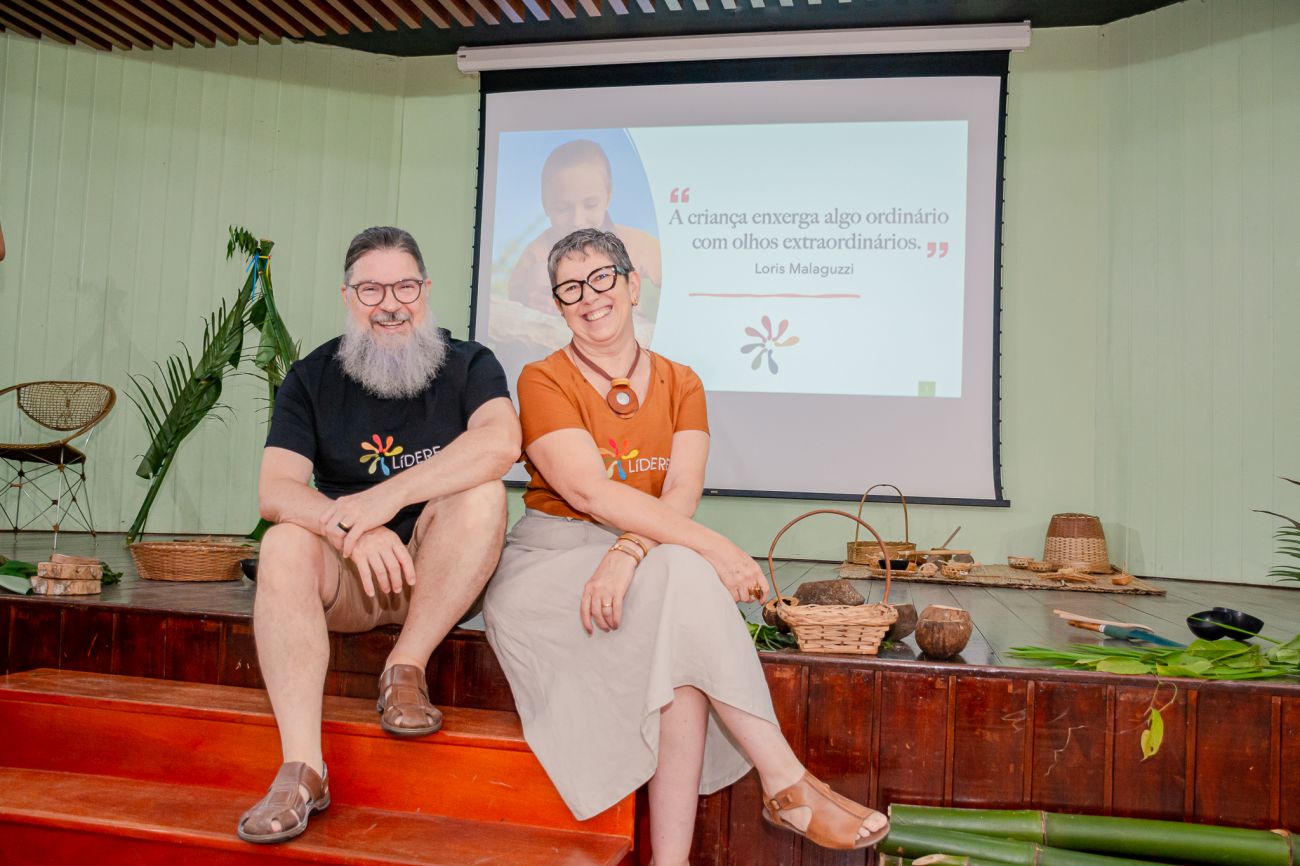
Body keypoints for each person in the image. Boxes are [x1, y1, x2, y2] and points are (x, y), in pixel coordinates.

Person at [483, 228, 889, 863]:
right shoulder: (541, 378)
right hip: (550, 565)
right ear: (558, 306)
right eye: (570, 289)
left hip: (641, 555)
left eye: (602, 278)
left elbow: (681, 491)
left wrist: (627, 554)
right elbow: (588, 491)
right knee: (689, 576)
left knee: (683, 625)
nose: (589, 297)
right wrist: (716, 550)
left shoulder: (682, 381)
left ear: (632, 285)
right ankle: (785, 781)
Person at [237, 226, 521, 844]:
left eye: (404, 287)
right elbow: (276, 490)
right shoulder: (311, 377)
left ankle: (405, 666)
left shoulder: (470, 363)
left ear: (426, 291)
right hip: (350, 578)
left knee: (483, 491)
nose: (390, 304)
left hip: (439, 574)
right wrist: (350, 528)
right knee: (282, 539)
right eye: (371, 289)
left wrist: (382, 500)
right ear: (348, 296)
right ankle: (302, 769)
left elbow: (502, 442)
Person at [506, 139, 662, 320]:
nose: (577, 221)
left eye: (590, 205)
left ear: (608, 197)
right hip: (559, 332)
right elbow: (512, 305)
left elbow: (678, 280)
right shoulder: (535, 255)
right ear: (545, 204)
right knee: (539, 273)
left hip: (625, 332)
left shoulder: (637, 244)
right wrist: (529, 302)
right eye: (563, 208)